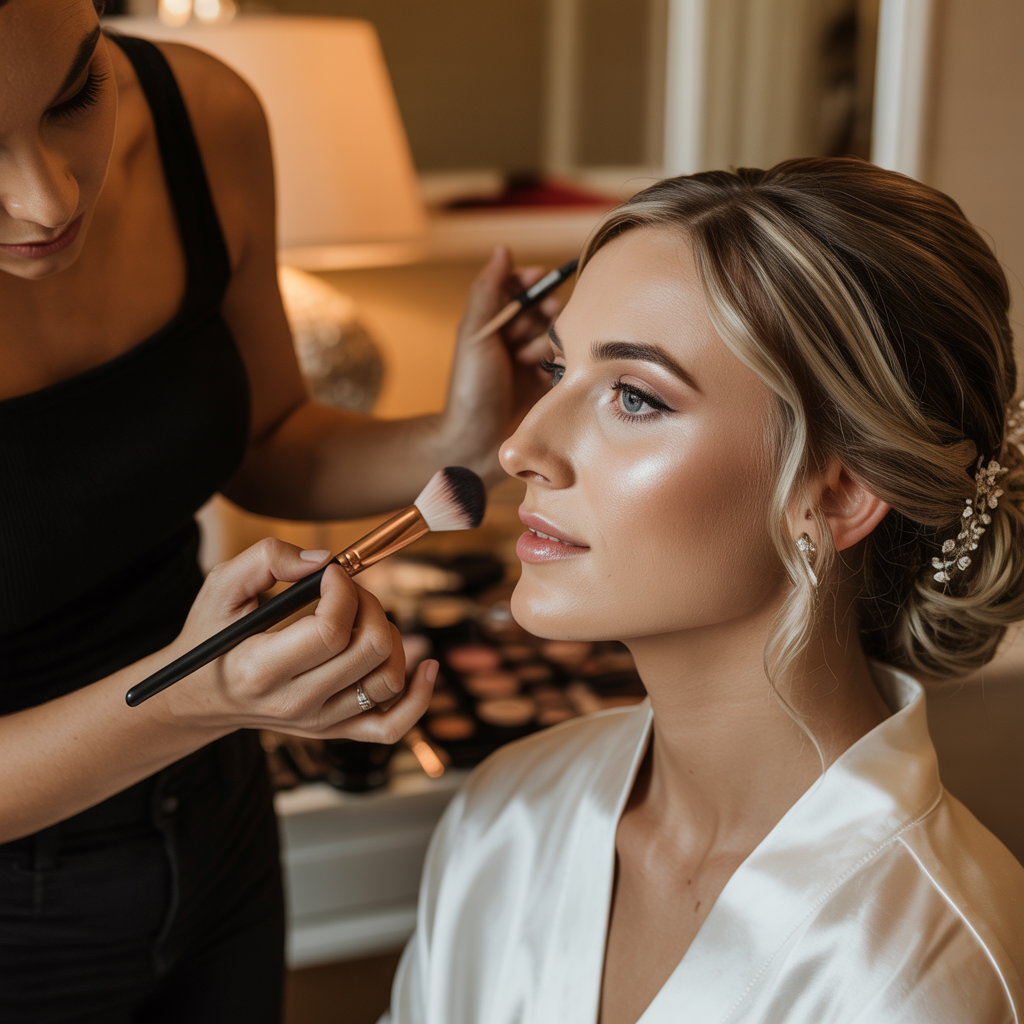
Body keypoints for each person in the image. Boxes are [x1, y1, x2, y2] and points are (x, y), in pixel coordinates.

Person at [0, 2, 557, 1021]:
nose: (49, 198)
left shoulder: (203, 118)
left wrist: (461, 441)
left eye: (77, 93)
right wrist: (187, 701)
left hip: (218, 820)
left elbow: (265, 439)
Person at [385, 159, 1024, 1024]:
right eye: (556, 371)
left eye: (634, 398)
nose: (521, 449)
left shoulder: (928, 974)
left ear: (838, 494)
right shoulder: (506, 817)